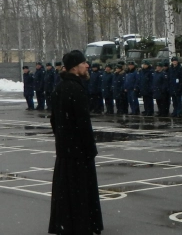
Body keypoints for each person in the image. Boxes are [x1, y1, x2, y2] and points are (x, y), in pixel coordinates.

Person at [48, 50, 103, 235]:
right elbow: (83, 124)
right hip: (78, 151)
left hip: (65, 150)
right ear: (74, 67)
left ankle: (65, 223)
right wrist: (90, 149)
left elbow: (54, 120)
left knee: (65, 191)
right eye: (83, 63)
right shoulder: (76, 89)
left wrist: (62, 140)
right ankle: (83, 223)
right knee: (81, 191)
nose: (87, 66)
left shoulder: (59, 88)